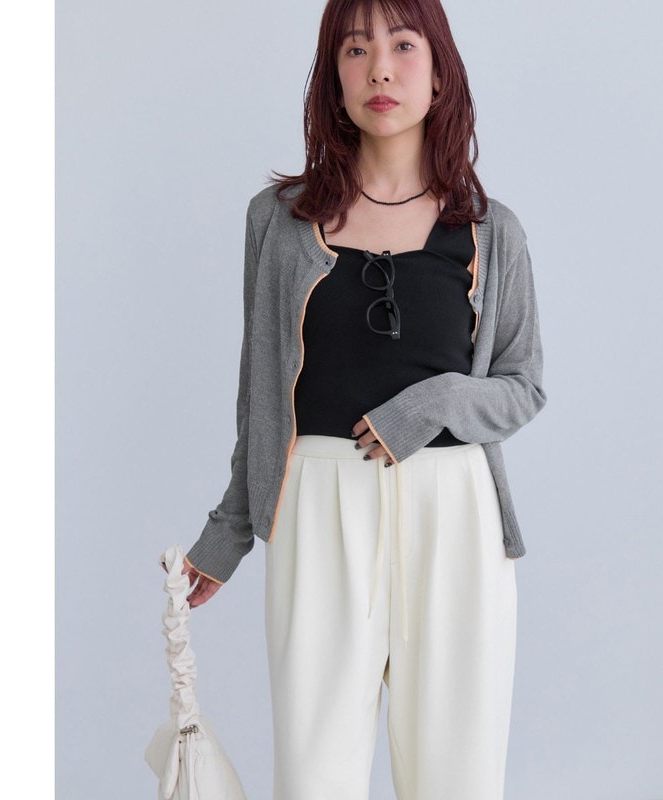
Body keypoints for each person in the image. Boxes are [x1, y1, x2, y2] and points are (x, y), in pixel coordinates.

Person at [180, 0, 545, 797]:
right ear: (333, 79)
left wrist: (432, 405)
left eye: (404, 45)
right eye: (355, 49)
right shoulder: (278, 223)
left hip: (455, 517)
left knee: (457, 778)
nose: (380, 67)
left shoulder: (493, 230)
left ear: (440, 73)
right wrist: (228, 530)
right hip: (317, 510)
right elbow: (259, 392)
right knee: (314, 776)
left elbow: (523, 387)